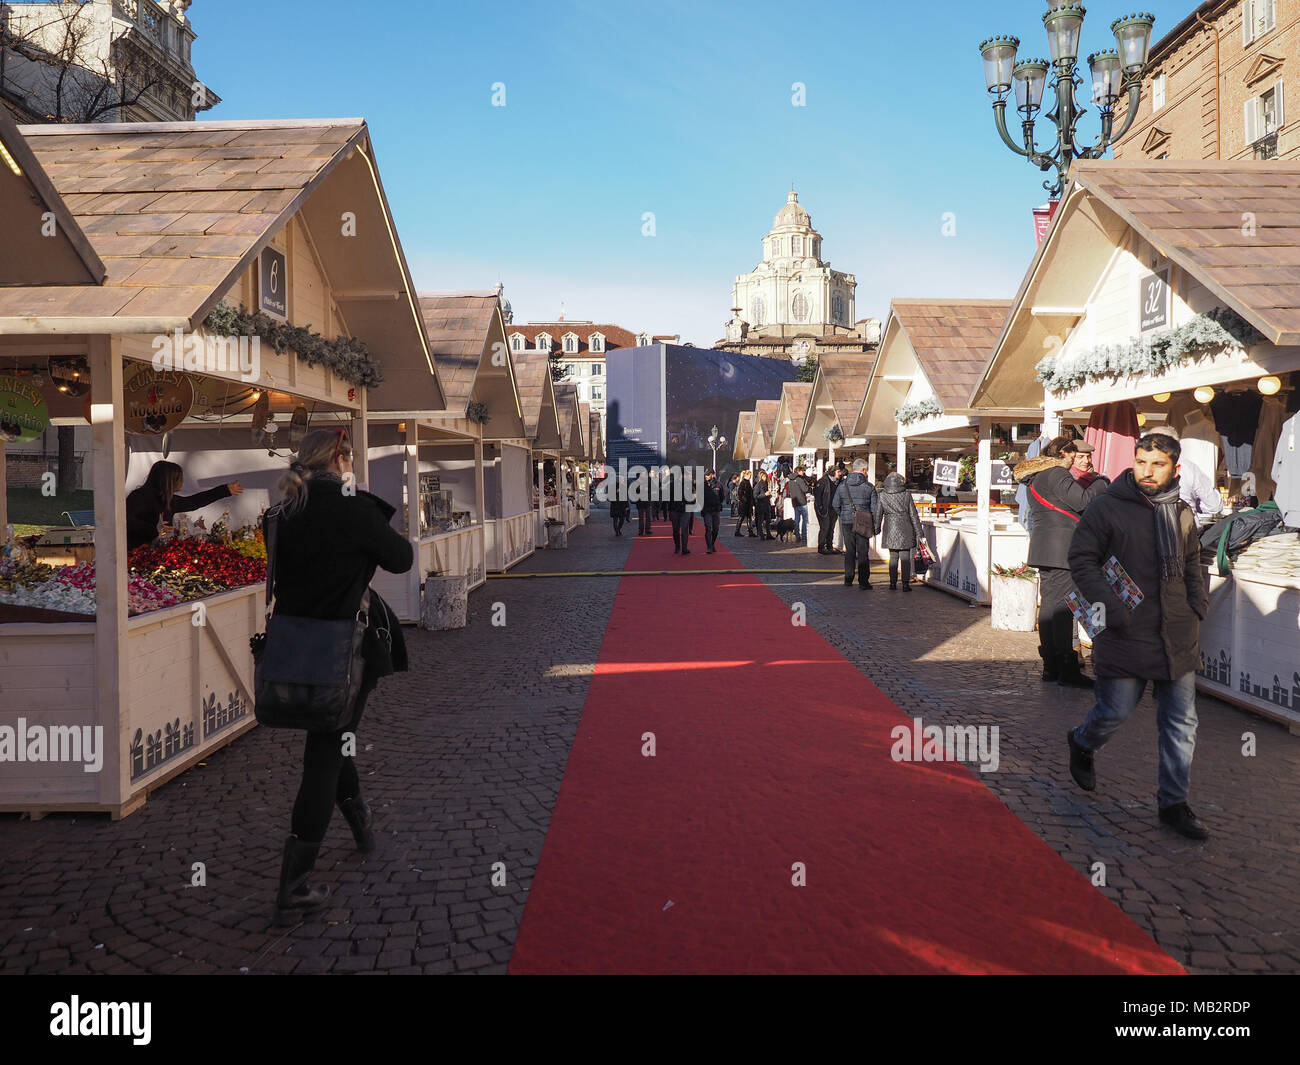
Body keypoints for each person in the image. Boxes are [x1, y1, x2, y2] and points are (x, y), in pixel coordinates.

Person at [268, 428, 414, 922]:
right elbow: (401, 559)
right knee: (326, 749)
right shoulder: (352, 509)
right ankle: (294, 885)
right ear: (340, 460)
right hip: (343, 650)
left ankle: (360, 822)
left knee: (333, 735)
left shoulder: (284, 512)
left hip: (293, 646)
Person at [1066, 432, 1211, 840]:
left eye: (1157, 464)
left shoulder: (1182, 512)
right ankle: (1082, 742)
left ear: (1175, 469)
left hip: (1177, 631)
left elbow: (1191, 562)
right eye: (1141, 462)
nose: (1147, 471)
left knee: (1181, 722)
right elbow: (1082, 558)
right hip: (1125, 628)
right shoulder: (1107, 506)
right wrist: (1111, 608)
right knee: (1114, 711)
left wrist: (1197, 605)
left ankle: (1174, 804)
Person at [1013, 437, 1109, 687]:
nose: (1076, 459)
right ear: (1064, 453)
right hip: (1062, 549)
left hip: (1044, 549)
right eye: (1073, 454)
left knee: (1049, 606)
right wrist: (1101, 482)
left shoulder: (1035, 478)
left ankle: (1051, 666)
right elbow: (1082, 501)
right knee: (1064, 607)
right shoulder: (1056, 473)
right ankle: (1067, 669)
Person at [126, 460, 244, 552]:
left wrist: (224, 490)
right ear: (169, 480)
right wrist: (154, 529)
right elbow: (126, 522)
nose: (182, 481)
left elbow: (193, 502)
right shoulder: (138, 497)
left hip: (158, 552)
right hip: (137, 554)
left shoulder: (167, 500)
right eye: (179, 478)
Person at [1145, 425, 1222, 517]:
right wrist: (1191, 505)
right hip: (1183, 522)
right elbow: (1214, 505)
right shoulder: (1188, 468)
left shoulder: (1140, 468)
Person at [833, 458, 881, 588]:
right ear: (863, 470)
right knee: (862, 552)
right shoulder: (869, 487)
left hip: (847, 522)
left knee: (849, 550)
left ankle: (848, 579)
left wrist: (843, 514)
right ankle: (863, 581)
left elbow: (835, 504)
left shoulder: (842, 486)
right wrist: (875, 526)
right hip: (864, 521)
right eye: (867, 471)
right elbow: (875, 509)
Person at [877, 471, 923, 591]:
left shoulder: (882, 495)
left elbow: (878, 514)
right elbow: (913, 515)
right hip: (905, 528)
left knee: (893, 557)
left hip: (890, 528)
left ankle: (892, 583)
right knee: (905, 557)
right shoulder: (906, 495)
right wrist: (919, 533)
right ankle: (905, 584)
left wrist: (876, 528)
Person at [815, 464, 842, 554]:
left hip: (833, 508)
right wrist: (820, 507)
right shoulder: (823, 481)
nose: (840, 474)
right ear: (833, 472)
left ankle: (829, 546)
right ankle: (821, 547)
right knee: (825, 527)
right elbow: (818, 496)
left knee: (831, 528)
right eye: (838, 472)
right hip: (825, 508)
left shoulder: (837, 482)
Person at [786, 465, 812, 543]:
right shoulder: (799, 479)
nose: (803, 472)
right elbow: (805, 489)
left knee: (797, 520)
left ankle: (797, 535)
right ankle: (804, 536)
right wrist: (809, 487)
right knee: (805, 520)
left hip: (795, 502)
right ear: (799, 471)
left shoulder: (790, 480)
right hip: (802, 502)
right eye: (802, 471)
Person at [702, 469, 723, 553]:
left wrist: (717, 503)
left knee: (716, 529)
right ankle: (709, 547)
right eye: (705, 475)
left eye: (708, 475)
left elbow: (722, 497)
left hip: (716, 509)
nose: (706, 476)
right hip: (707, 510)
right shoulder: (703, 485)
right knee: (708, 528)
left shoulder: (719, 485)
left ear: (712, 475)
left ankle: (712, 543)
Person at [734, 470, 755, 537]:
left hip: (747, 503)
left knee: (749, 517)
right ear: (746, 475)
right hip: (744, 504)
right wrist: (745, 500)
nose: (750, 476)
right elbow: (740, 494)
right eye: (749, 475)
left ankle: (750, 531)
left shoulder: (747, 482)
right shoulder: (743, 483)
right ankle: (737, 531)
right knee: (742, 517)